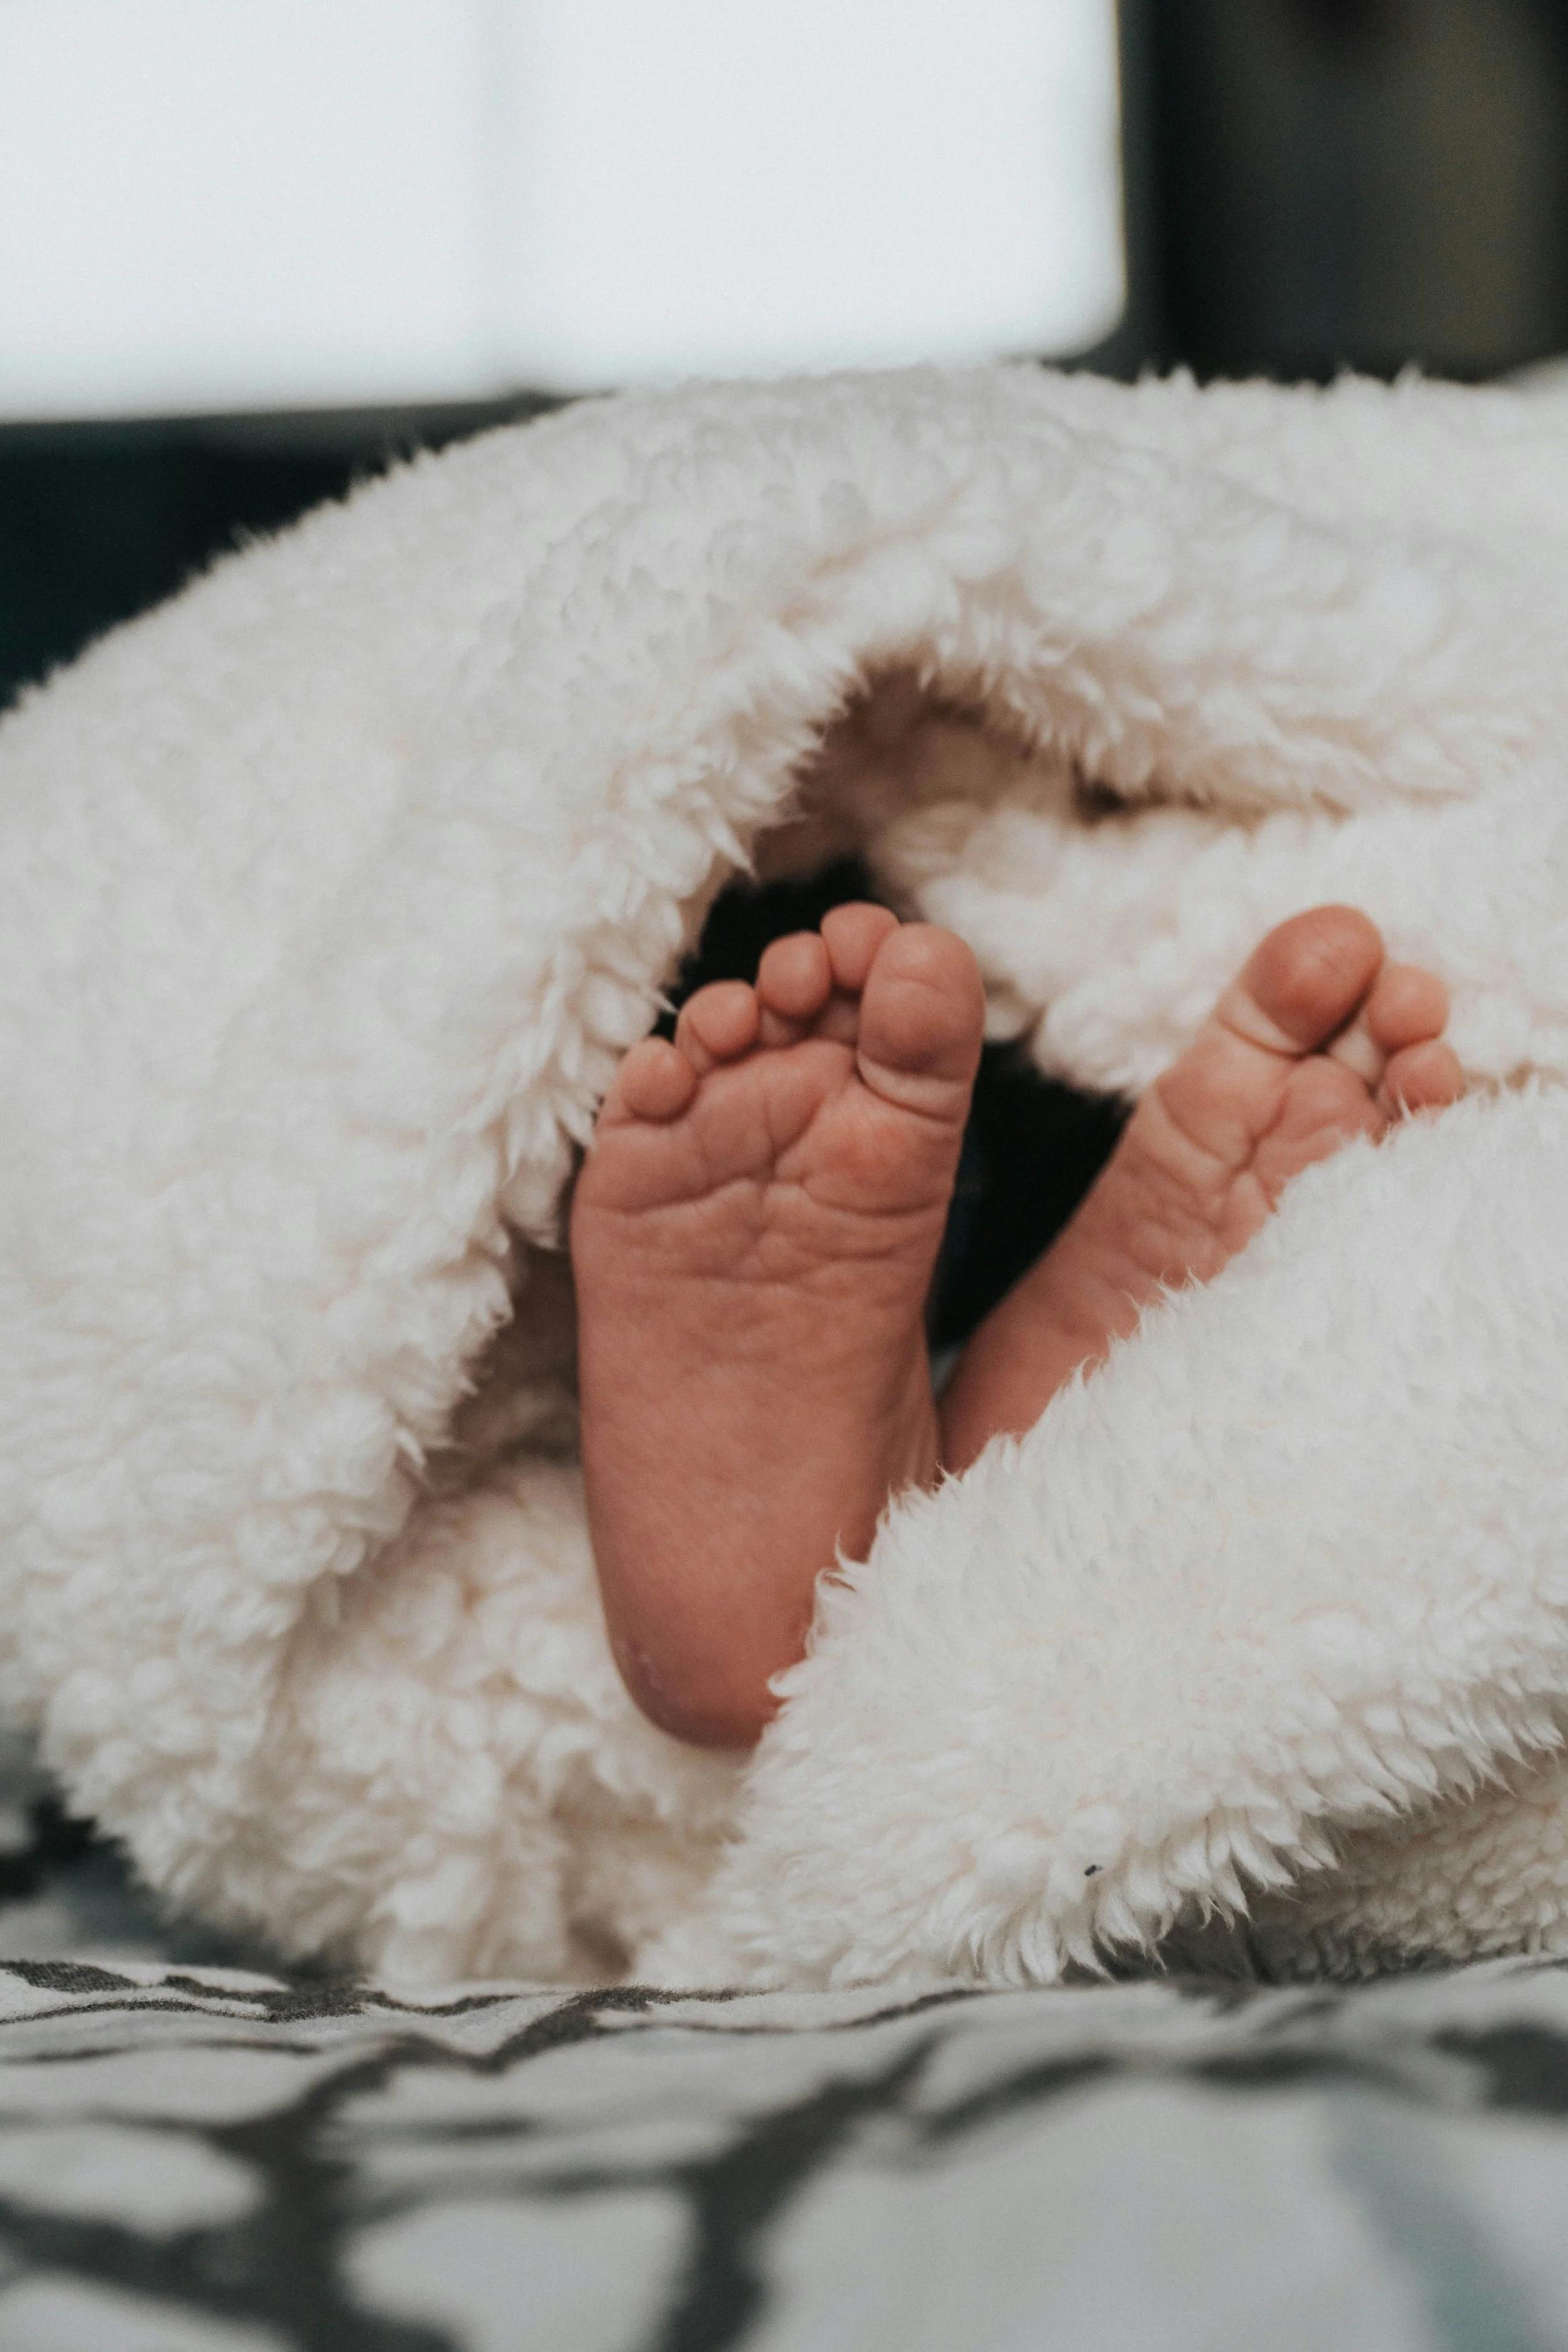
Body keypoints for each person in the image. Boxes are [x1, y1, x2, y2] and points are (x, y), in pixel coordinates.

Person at [570, 902, 1463, 1749]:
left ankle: (912, 1521)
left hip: (761, 1023)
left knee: (847, 1053)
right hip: (997, 1134)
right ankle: (1020, 1478)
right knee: (912, 1082)